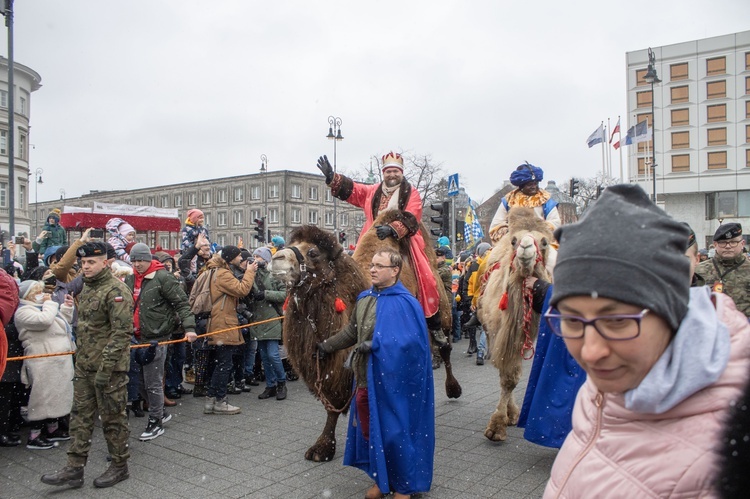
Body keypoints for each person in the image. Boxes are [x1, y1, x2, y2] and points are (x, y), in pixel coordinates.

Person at [543, 185, 750, 497]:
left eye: (616, 321)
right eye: (572, 320)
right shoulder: (608, 386)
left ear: (671, 312)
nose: (590, 352)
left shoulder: (729, 460)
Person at [317, 249, 434, 499]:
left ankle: (404, 485)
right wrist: (327, 346)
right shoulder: (364, 298)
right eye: (372, 265)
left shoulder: (406, 302)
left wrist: (378, 344)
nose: (372, 269)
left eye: (379, 266)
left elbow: (413, 345)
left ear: (394, 271)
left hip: (395, 384)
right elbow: (352, 331)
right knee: (372, 433)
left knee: (396, 433)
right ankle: (383, 480)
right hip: (365, 380)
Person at [317, 151, 445, 338]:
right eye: (388, 171)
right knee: (352, 272)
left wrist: (394, 229)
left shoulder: (411, 192)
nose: (392, 175)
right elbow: (354, 190)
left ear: (401, 172)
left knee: (426, 276)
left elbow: (413, 214)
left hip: (403, 241)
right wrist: (333, 178)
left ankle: (434, 325)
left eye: (395, 171)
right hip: (371, 239)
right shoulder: (373, 191)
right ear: (382, 173)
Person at [41, 241, 134, 489]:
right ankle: (74, 469)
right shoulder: (88, 288)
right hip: (84, 366)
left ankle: (119, 465)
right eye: (83, 263)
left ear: (105, 262)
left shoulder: (116, 290)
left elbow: (121, 334)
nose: (86, 267)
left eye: (91, 262)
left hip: (109, 370)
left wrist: (105, 369)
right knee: (81, 418)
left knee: (113, 419)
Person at [125, 243, 197, 441]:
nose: (137, 264)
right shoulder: (130, 278)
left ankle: (156, 420)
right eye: (134, 260)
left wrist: (190, 328)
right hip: (134, 337)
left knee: (153, 381)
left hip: (156, 337)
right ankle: (161, 412)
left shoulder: (163, 277)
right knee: (137, 380)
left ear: (149, 259)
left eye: (141, 260)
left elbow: (182, 303)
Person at [15, 281, 75, 449]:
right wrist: (50, 303)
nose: (42, 294)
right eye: (37, 291)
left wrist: (66, 308)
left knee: (57, 395)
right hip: (42, 361)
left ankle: (52, 428)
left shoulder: (43, 307)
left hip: (58, 360)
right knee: (42, 397)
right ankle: (35, 435)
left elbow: (61, 325)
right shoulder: (23, 311)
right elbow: (44, 321)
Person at [202, 245, 256, 415]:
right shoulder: (222, 273)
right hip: (223, 323)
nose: (241, 259)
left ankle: (211, 400)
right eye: (239, 256)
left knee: (220, 363)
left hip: (219, 321)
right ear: (231, 257)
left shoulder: (215, 271)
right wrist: (250, 272)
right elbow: (242, 289)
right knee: (224, 364)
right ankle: (220, 401)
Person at [249, 246, 288, 400]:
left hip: (271, 318)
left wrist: (265, 294)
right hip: (257, 320)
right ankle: (270, 385)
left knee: (273, 355)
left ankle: (281, 383)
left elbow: (284, 295)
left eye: (258, 257)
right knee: (264, 356)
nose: (255, 260)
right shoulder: (251, 275)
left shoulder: (275, 275)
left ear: (265, 260)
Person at [488, 163, 561, 243]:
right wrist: (510, 231)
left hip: (540, 241)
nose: (533, 187)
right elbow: (496, 225)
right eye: (530, 184)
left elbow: (555, 222)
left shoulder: (546, 199)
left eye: (535, 183)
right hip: (513, 241)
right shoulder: (509, 200)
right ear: (521, 186)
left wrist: (537, 229)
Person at [694, 223, 750, 317]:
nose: (728, 246)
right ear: (715, 244)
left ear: (742, 244)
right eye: (723, 242)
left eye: (733, 242)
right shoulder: (698, 270)